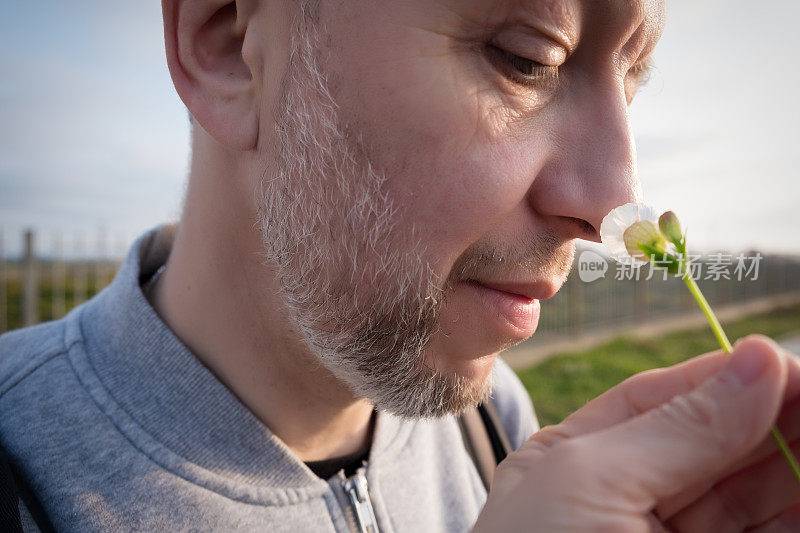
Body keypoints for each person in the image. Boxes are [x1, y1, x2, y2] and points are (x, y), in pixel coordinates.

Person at [1, 0, 799, 531]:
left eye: (630, 83)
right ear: (226, 43)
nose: (610, 201)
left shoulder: (499, 428)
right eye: (526, 58)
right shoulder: (21, 470)